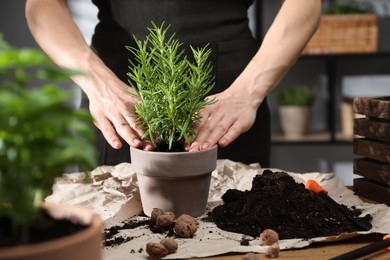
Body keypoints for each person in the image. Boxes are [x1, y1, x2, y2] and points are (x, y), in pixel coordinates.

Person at [25, 0, 321, 167]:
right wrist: (97, 84)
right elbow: (42, 5)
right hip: (119, 101)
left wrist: (247, 92)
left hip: (229, 97)